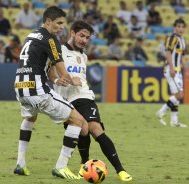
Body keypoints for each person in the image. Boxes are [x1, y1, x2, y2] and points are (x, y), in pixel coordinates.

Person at [48, 20, 132, 181]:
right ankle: (84, 164)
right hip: (65, 99)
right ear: (72, 33)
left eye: (87, 37)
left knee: (95, 128)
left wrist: (75, 81)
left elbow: (80, 79)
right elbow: (50, 73)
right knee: (83, 129)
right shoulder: (59, 50)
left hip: (83, 96)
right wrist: (59, 81)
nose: (84, 40)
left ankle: (120, 170)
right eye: (81, 35)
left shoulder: (83, 56)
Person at [13, 6, 89, 180]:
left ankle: (20, 163)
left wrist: (54, 80)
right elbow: (64, 73)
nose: (62, 27)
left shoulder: (31, 35)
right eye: (59, 23)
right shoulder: (51, 40)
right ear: (48, 22)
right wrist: (74, 80)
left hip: (20, 87)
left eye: (64, 23)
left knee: (30, 118)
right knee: (78, 120)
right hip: (38, 90)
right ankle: (61, 166)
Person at [156, 18, 189, 128]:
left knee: (177, 95)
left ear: (184, 28)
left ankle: (174, 121)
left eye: (182, 27)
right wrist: (171, 68)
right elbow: (167, 53)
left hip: (178, 71)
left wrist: (187, 70)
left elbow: (182, 57)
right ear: (174, 27)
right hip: (171, 70)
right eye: (178, 26)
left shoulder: (182, 40)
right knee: (179, 95)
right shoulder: (172, 38)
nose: (180, 29)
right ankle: (161, 111)